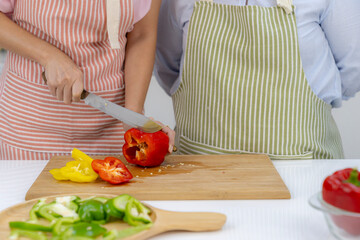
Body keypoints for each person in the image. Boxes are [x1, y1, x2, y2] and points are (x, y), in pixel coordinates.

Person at [154, 0, 360, 159]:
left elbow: (354, 67)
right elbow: (166, 62)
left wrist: (311, 103)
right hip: (198, 168)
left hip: (304, 169)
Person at [0, 0, 175, 160]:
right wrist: (47, 56)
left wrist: (132, 117)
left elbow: (142, 35)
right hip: (28, 128)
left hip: (111, 130)